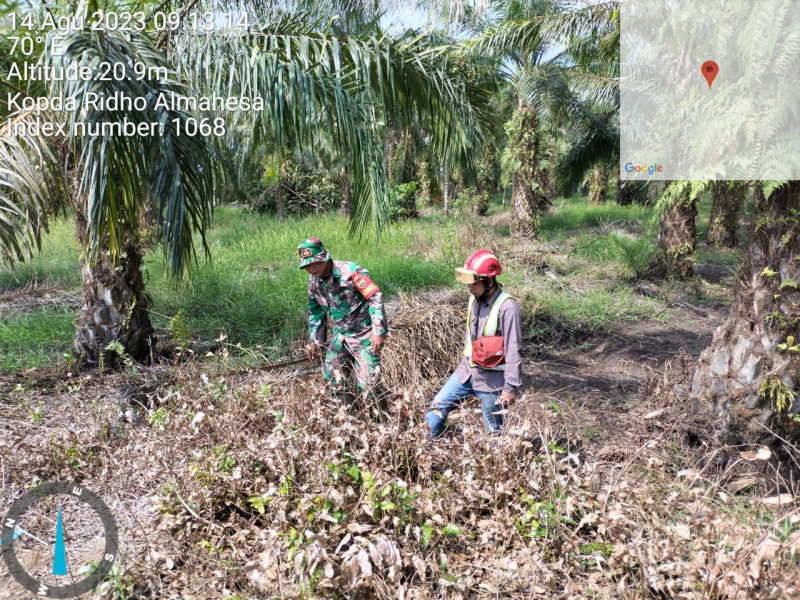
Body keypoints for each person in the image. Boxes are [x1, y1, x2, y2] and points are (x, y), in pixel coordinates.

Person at [425, 250, 523, 438]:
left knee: (494, 432)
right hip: (466, 372)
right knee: (437, 407)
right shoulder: (473, 300)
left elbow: (514, 350)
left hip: (491, 382)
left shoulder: (508, 308)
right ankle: (423, 447)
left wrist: (510, 388)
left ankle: (497, 455)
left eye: (475, 284)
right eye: (469, 283)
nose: (471, 288)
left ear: (490, 281)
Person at [298, 237, 389, 413]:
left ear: (325, 257)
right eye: (307, 266)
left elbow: (375, 297)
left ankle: (382, 422)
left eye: (315, 263)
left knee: (369, 384)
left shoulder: (351, 272)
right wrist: (315, 341)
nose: (312, 268)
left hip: (365, 336)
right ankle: (350, 419)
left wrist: (379, 331)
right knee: (332, 376)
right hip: (342, 336)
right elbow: (315, 311)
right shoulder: (314, 281)